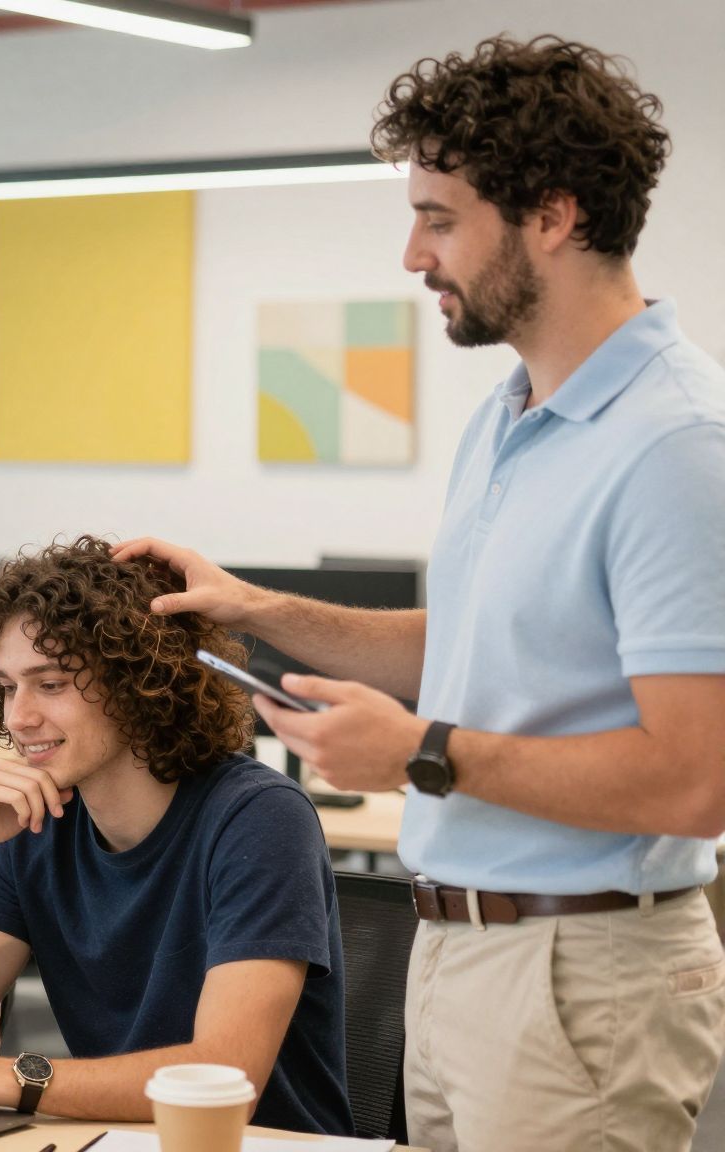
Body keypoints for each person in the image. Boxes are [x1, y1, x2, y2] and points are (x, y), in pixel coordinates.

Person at [117, 35, 725, 1152]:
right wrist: (250, 608)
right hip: (455, 953)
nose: (411, 254)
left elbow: (696, 778)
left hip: (576, 974)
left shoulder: (675, 443)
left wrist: (418, 756)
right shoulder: (509, 417)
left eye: (438, 218)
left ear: (549, 214)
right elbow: (475, 647)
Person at [0, 539, 351, 1134]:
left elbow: (227, 1075)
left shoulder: (259, 817)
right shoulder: (31, 819)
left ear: (138, 684)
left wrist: (7, 1078)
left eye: (49, 684)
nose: (18, 717)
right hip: (112, 1138)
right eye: (6, 686)